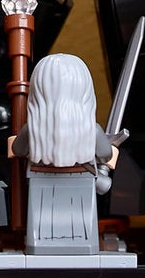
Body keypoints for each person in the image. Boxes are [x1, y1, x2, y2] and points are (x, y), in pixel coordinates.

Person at [9, 53, 117, 255]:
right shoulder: (91, 130)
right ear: (84, 91)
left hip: (41, 186)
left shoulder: (32, 130)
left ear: (38, 92)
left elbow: (18, 150)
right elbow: (105, 154)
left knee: (41, 226)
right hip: (82, 185)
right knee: (82, 227)